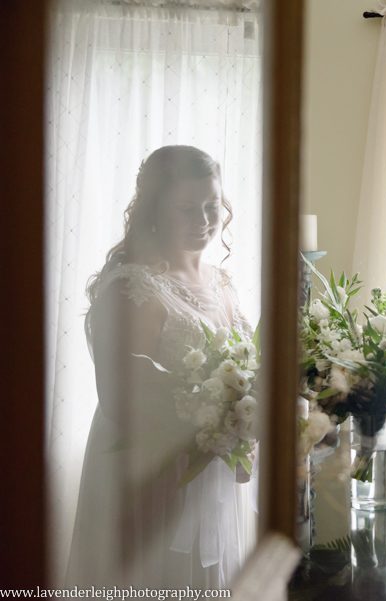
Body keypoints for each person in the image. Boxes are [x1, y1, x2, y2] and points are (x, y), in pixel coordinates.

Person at [67, 145, 256, 587]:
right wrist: (208, 425)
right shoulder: (132, 288)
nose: (203, 221)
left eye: (212, 206)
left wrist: (239, 425)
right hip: (149, 472)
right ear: (155, 210)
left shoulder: (222, 282)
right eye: (186, 209)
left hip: (212, 471)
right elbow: (118, 398)